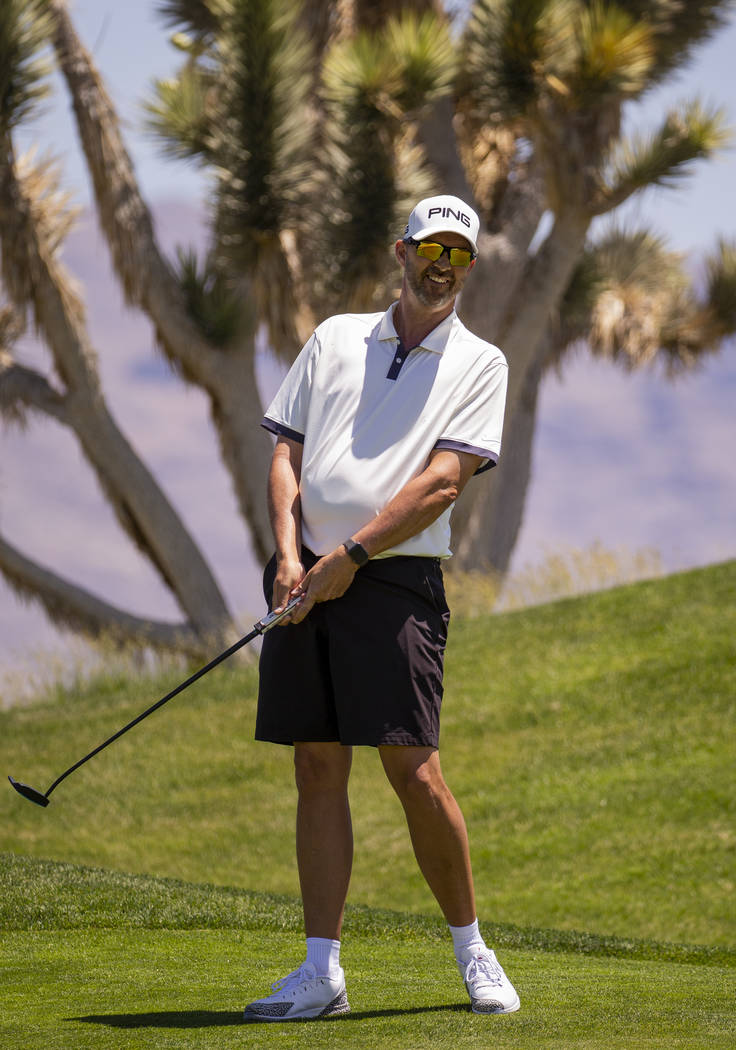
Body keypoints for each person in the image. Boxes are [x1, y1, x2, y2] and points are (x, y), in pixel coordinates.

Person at [243, 195, 520, 1021]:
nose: (444, 264)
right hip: (306, 577)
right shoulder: (334, 338)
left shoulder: (481, 361)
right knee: (316, 764)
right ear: (399, 250)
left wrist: (351, 557)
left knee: (414, 769)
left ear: (468, 268)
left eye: (459, 255)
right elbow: (286, 448)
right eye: (431, 247)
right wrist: (293, 558)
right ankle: (320, 973)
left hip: (394, 583)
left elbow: (443, 482)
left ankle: (474, 953)